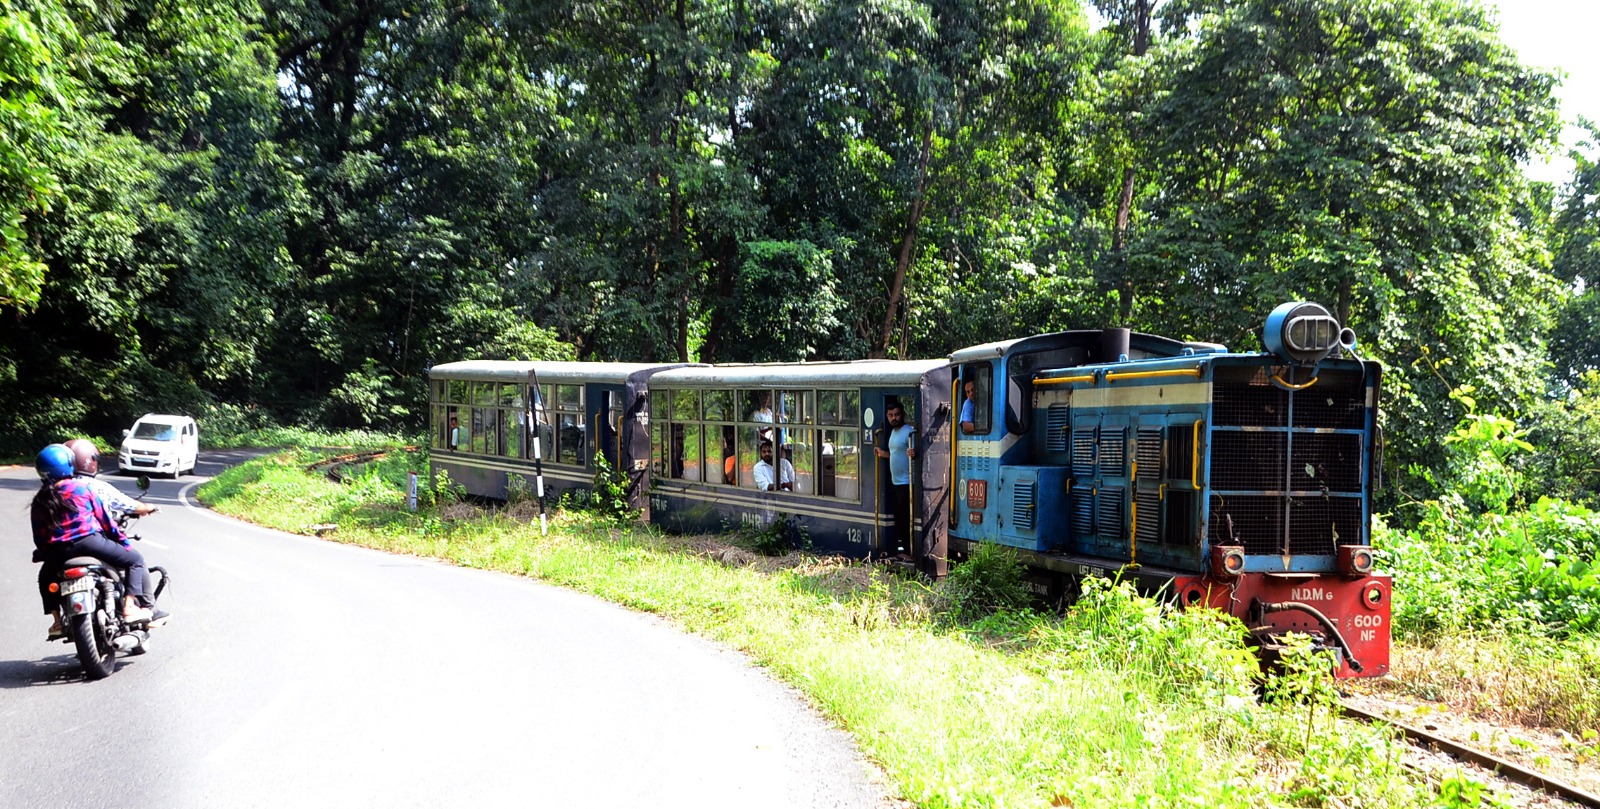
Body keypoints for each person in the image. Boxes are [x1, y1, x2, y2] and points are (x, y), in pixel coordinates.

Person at [31, 444, 166, 640]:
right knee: (135, 560)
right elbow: (105, 521)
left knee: (45, 577)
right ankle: (130, 609)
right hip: (89, 542)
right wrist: (122, 542)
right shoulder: (81, 488)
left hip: (58, 551)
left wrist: (45, 553)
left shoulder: (41, 498)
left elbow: (39, 535)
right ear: (69, 465)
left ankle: (57, 621)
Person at [64, 438, 158, 518]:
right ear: (91, 460)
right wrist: (147, 507)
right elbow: (129, 505)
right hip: (89, 536)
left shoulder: (53, 486)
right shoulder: (97, 487)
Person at [874, 402, 916, 556]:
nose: (894, 418)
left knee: (905, 518)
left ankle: (908, 551)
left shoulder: (909, 432)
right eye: (891, 415)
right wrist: (881, 453)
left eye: (897, 414)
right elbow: (895, 454)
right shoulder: (892, 433)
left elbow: (915, 452)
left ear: (903, 414)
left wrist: (914, 453)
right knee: (898, 517)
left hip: (907, 482)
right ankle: (903, 549)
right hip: (895, 482)